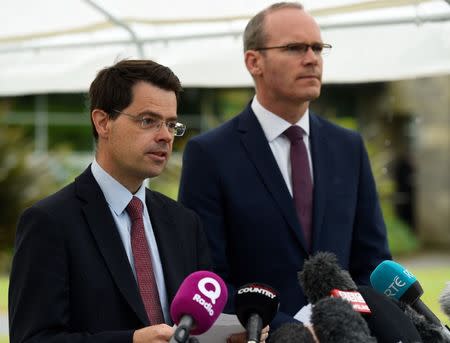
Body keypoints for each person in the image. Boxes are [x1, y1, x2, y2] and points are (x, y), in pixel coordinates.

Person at [178, 2, 392, 329]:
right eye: (295, 48)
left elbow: (372, 264)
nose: (311, 58)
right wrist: (290, 331)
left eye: (318, 48)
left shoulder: (349, 147)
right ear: (254, 61)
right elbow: (209, 278)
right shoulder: (209, 155)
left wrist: (344, 326)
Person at [8, 59, 212, 343]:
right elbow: (33, 339)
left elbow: (199, 324)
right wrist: (130, 341)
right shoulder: (49, 222)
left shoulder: (184, 223)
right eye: (148, 121)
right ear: (103, 122)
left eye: (171, 124)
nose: (166, 135)